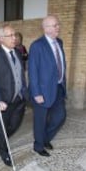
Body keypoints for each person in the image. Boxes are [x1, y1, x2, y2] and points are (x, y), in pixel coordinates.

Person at [28, 15, 67, 157]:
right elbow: (33, 70)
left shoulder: (59, 42)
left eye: (58, 24)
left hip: (58, 87)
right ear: (45, 28)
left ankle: (45, 138)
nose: (58, 27)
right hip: (42, 91)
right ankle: (38, 146)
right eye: (54, 25)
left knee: (60, 116)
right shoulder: (37, 45)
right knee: (40, 120)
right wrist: (36, 93)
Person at [0, 24, 28, 166]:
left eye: (15, 35)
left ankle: (0, 136)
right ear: (1, 39)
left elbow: (20, 75)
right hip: (3, 102)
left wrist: (25, 92)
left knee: (14, 125)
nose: (14, 38)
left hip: (19, 99)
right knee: (2, 129)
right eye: (10, 35)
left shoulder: (18, 52)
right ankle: (4, 152)